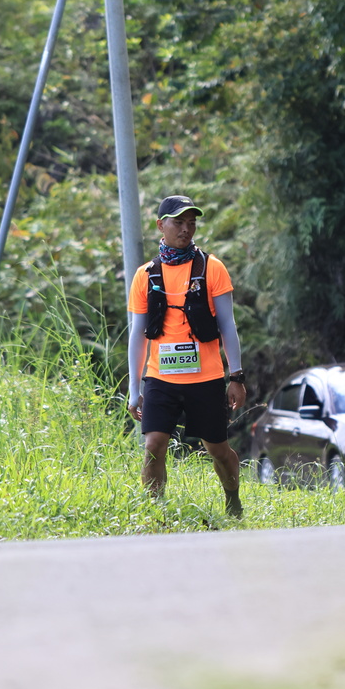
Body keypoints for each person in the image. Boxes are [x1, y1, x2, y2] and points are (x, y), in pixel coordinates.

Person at [127, 195, 246, 518]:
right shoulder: (145, 274)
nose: (186, 229)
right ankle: (154, 511)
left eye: (191, 223)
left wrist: (236, 377)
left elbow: (227, 325)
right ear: (160, 226)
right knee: (153, 446)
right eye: (178, 222)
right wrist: (134, 389)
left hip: (206, 378)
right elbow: (137, 334)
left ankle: (233, 500)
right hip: (160, 378)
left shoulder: (212, 268)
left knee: (218, 450)